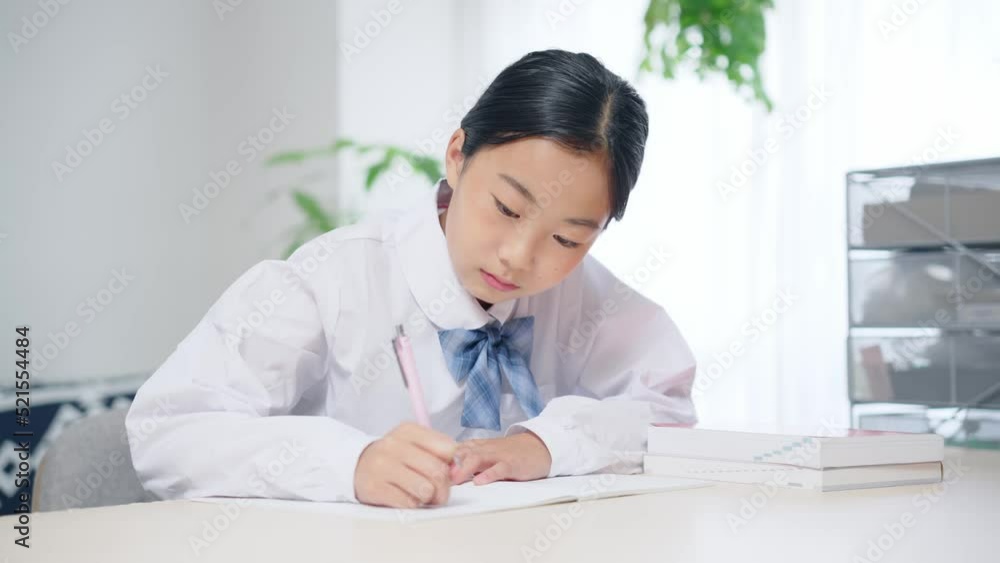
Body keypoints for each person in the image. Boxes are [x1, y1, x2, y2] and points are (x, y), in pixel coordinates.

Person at [125, 49, 697, 509]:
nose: (518, 258)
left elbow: (670, 417)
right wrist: (349, 463)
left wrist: (549, 444)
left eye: (567, 239)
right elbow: (168, 431)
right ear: (457, 155)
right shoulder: (331, 281)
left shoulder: (589, 297)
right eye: (506, 208)